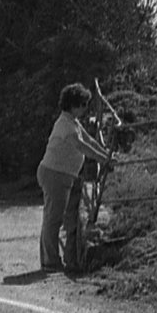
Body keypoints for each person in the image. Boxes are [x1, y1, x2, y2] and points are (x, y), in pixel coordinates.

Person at [37, 83, 108, 276]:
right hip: (55, 174)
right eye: (83, 104)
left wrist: (106, 155)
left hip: (60, 174)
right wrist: (103, 159)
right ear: (73, 105)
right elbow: (81, 146)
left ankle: (49, 259)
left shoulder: (72, 122)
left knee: (53, 216)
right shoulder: (65, 125)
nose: (85, 108)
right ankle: (50, 261)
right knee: (54, 218)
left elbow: (89, 140)